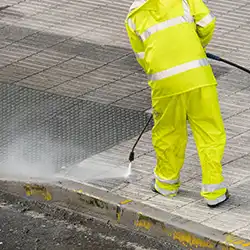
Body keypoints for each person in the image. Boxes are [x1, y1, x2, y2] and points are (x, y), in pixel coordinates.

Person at [124, 0, 229, 207]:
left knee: (168, 132)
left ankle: (166, 183)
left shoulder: (133, 16)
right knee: (209, 132)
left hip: (165, 84)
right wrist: (197, 46)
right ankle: (214, 191)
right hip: (198, 78)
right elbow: (207, 23)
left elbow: (143, 57)